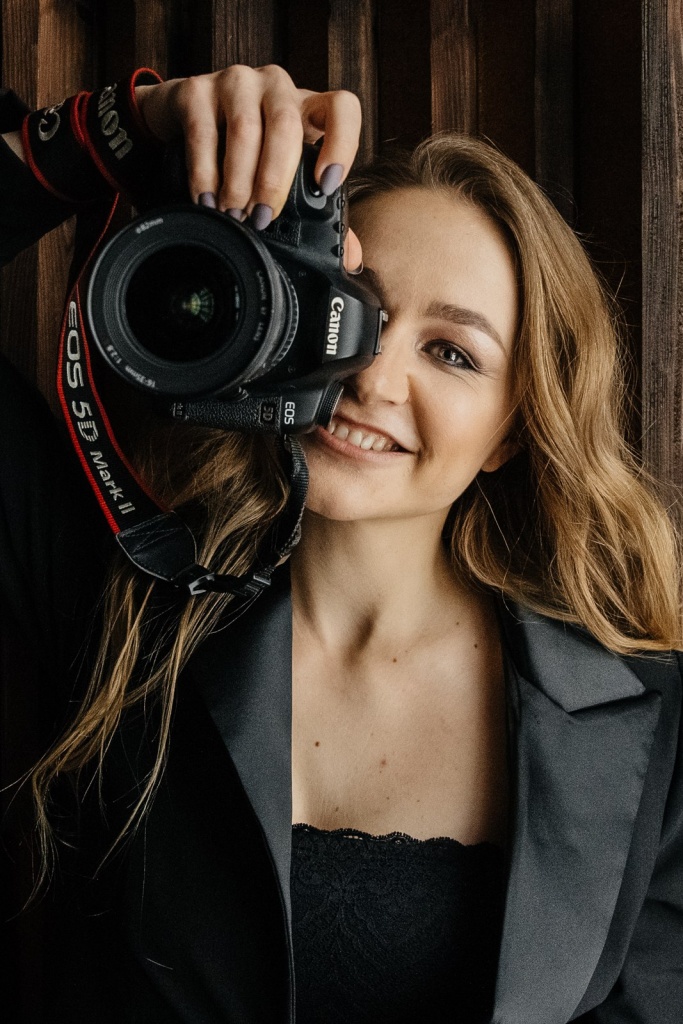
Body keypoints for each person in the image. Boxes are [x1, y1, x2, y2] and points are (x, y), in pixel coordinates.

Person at [1, 64, 682, 1024]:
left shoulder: (649, 723)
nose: (370, 376)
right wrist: (119, 127)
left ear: (513, 433)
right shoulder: (120, 608)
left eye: (451, 352)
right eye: (353, 302)